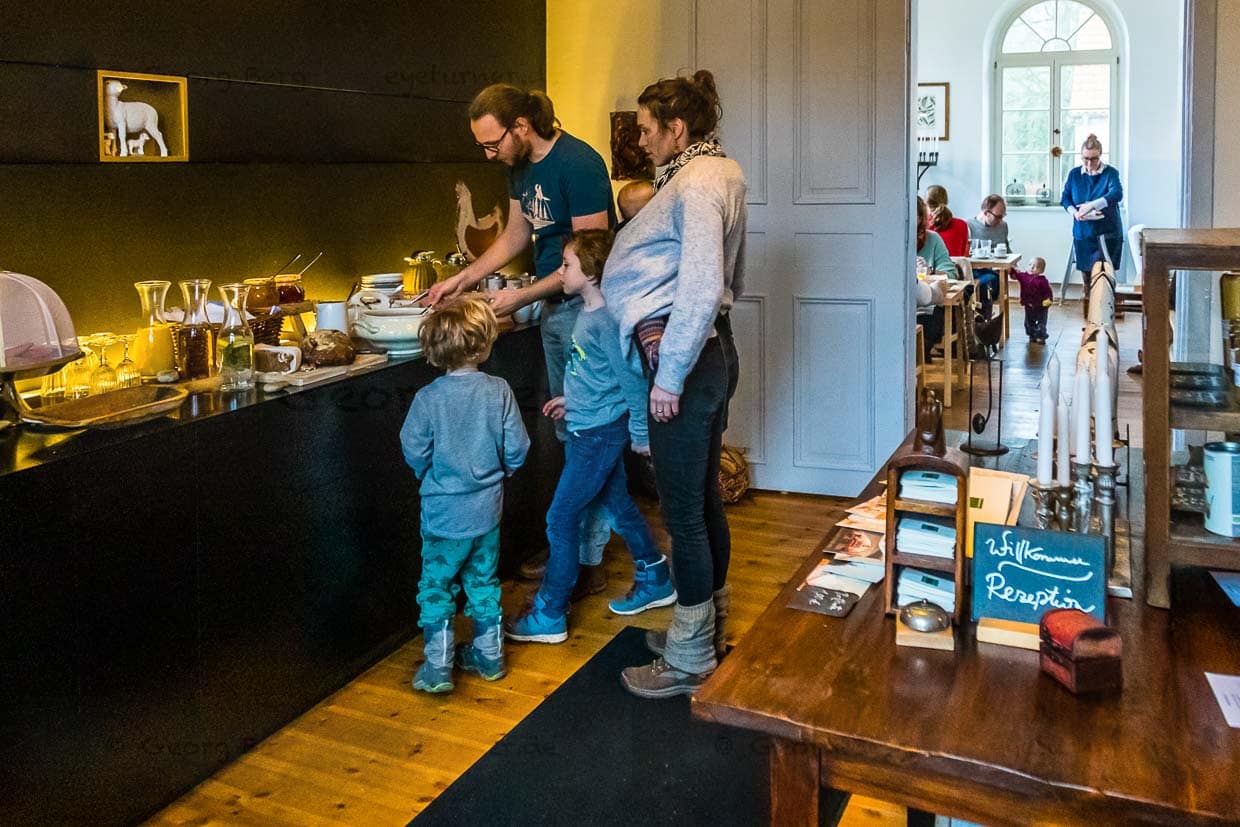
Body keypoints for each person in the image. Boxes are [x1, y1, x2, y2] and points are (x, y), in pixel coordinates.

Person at [425, 83, 616, 595]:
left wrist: (521, 296)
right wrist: (462, 279)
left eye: (493, 144)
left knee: (589, 432)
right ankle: (569, 550)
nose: (489, 154)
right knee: (568, 433)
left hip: (587, 312)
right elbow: (515, 236)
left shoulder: (580, 164)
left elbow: (591, 260)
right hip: (555, 313)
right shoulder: (520, 167)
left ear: (522, 127)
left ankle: (584, 560)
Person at [602, 70, 746, 698]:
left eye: (645, 129)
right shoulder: (702, 175)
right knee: (701, 501)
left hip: (687, 361)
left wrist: (671, 373)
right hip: (701, 355)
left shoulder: (700, 181)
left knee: (683, 513)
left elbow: (701, 285)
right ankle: (703, 626)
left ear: (675, 128)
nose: (640, 140)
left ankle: (690, 658)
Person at [505, 230, 674, 645]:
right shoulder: (588, 311)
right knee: (616, 504)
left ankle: (549, 612)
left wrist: (639, 432)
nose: (560, 272)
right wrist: (571, 401)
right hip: (588, 425)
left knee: (561, 518)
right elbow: (595, 376)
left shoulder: (607, 320)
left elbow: (632, 380)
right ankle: (656, 575)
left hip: (598, 436)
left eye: (567, 265)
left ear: (593, 273)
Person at [400, 297, 530, 694]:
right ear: (484, 344)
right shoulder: (499, 390)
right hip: (486, 510)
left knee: (437, 584)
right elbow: (518, 446)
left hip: (442, 513)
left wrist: (429, 473)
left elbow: (413, 447)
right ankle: (489, 657)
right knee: (483, 580)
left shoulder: (428, 398)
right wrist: (504, 470)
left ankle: (438, 667)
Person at [1061, 133, 1124, 313]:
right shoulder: (1075, 174)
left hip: (1108, 232)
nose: (1089, 164)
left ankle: (1107, 312)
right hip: (1083, 232)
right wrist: (1076, 213)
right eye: (1085, 159)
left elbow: (1116, 195)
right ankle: (1090, 315)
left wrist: (1091, 205)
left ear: (1100, 156)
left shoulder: (1110, 173)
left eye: (1093, 159)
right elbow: (1065, 199)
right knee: (1087, 275)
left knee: (1105, 274)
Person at [915, 196, 973, 360]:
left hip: (928, 303)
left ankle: (916, 370)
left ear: (920, 218)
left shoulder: (932, 239)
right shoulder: (892, 240)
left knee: (930, 321)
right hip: (904, 306)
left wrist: (928, 271)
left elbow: (949, 272)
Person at [1010, 256, 1052, 343]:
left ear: (1041, 270)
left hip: (1041, 306)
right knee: (1028, 323)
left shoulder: (1042, 281)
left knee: (1041, 323)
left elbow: (1047, 292)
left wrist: (1048, 300)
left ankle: (1041, 336)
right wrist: (1013, 268)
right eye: (1030, 265)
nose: (1032, 268)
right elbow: (1015, 276)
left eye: (1035, 266)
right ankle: (1032, 335)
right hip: (1028, 305)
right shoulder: (1024, 276)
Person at [925, 185, 970, 258]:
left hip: (929, 268)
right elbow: (962, 255)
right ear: (947, 201)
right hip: (954, 268)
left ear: (925, 203)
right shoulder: (962, 224)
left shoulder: (923, 224)